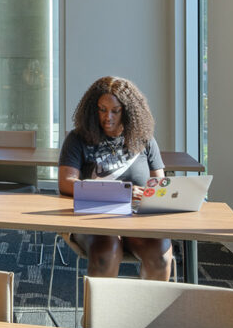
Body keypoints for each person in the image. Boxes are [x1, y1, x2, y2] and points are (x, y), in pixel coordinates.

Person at [57, 75, 173, 280]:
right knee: (106, 252)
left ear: (128, 112)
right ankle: (99, 312)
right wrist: (122, 193)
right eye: (102, 109)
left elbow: (159, 187)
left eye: (115, 111)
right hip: (92, 217)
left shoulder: (144, 139)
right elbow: (66, 184)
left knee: (161, 255)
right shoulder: (78, 139)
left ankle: (153, 312)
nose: (107, 117)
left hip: (137, 220)